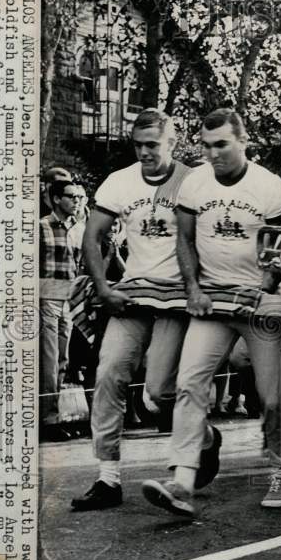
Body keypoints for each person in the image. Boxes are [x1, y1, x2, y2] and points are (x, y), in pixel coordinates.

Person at [141, 108, 281, 516]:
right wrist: (193, 289)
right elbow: (185, 240)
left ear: (243, 142)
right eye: (207, 146)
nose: (213, 154)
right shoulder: (195, 183)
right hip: (212, 300)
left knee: (272, 398)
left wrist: (263, 286)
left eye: (222, 145)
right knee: (190, 384)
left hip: (260, 304)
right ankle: (183, 481)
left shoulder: (269, 186)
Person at [70, 110, 194, 511]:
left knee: (160, 391)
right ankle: (108, 479)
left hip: (176, 296)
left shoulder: (193, 182)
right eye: (137, 145)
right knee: (108, 372)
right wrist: (104, 288)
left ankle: (204, 439)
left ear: (172, 143)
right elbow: (92, 236)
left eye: (152, 145)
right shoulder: (120, 181)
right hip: (135, 292)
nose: (143, 152)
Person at [39, 179, 84, 441]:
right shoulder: (41, 227)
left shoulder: (78, 228)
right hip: (45, 296)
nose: (76, 201)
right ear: (56, 199)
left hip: (68, 298)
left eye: (78, 197)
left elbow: (78, 266)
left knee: (63, 360)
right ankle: (47, 419)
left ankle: (54, 415)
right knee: (48, 359)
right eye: (71, 196)